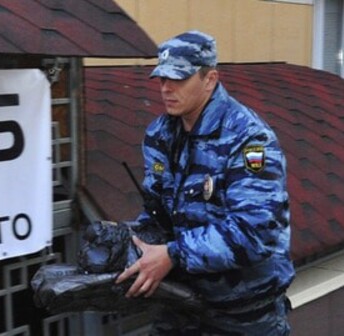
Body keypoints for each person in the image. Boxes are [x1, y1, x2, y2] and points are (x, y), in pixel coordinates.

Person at [115, 30, 295, 335]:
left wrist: (173, 254)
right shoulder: (160, 134)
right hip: (180, 303)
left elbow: (255, 232)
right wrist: (132, 244)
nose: (166, 89)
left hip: (244, 312)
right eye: (161, 79)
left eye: (178, 79)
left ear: (210, 79)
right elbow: (157, 210)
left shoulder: (249, 138)